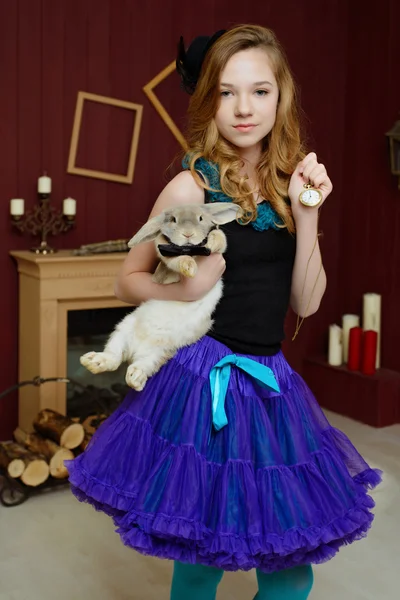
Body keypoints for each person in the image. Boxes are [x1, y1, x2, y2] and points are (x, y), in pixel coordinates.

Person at [67, 24, 381, 600]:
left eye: (260, 91)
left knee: (291, 571)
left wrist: (309, 214)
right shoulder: (191, 186)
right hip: (201, 377)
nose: (244, 108)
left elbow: (306, 303)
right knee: (199, 559)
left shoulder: (291, 186)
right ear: (209, 98)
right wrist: (186, 294)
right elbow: (125, 279)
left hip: (269, 384)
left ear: (280, 97)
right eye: (228, 92)